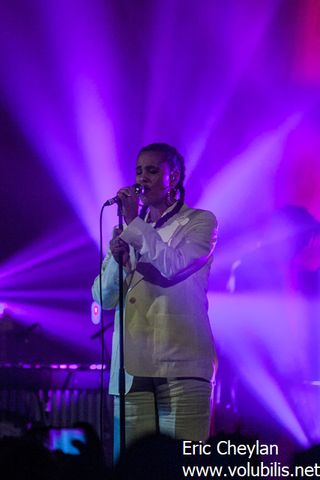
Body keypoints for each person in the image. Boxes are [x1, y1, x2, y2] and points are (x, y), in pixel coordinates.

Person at [92, 143, 218, 458]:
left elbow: (173, 266)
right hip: (131, 369)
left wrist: (134, 226)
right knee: (134, 468)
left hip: (181, 362)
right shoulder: (133, 230)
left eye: (151, 170)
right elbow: (104, 298)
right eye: (138, 171)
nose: (142, 178)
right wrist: (118, 263)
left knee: (181, 465)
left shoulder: (200, 222)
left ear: (172, 177)